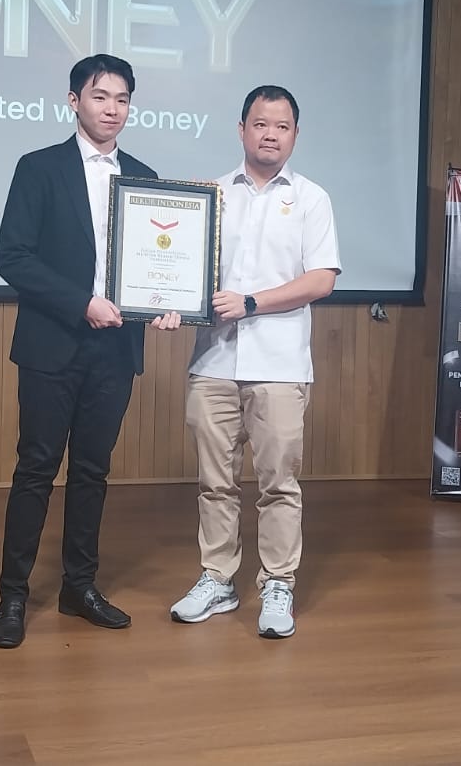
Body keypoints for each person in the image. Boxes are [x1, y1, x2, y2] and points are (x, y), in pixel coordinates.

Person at [0, 54, 177, 649]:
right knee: (36, 469)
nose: (112, 109)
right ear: (74, 101)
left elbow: (157, 265)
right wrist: (81, 303)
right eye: (100, 96)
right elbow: (12, 257)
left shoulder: (144, 176)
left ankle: (79, 586)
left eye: (122, 99)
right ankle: (12, 595)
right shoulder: (39, 168)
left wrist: (168, 303)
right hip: (53, 343)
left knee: (93, 472)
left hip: (116, 349)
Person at [168, 85, 340, 639]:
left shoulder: (311, 198)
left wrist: (251, 303)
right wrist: (164, 300)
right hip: (214, 361)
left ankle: (277, 584)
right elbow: (182, 271)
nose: (270, 135)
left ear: (295, 135)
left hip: (280, 366)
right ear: (242, 129)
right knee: (214, 482)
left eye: (282, 126)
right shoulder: (210, 196)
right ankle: (217, 579)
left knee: (279, 484)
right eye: (261, 124)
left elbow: (322, 279)